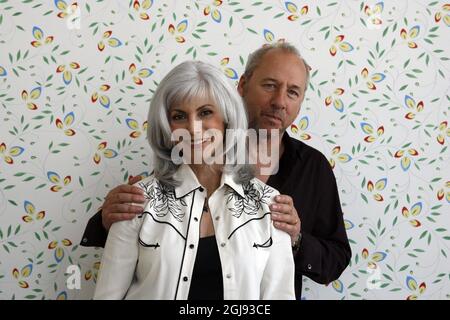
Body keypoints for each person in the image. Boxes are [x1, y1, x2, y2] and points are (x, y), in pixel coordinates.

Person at [82, 42, 351, 298]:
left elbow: (333, 261)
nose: (279, 101)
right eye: (270, 85)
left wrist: (296, 239)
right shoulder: (150, 194)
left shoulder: (308, 173)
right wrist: (106, 219)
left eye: (293, 91)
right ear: (242, 86)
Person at [93, 60, 295, 299]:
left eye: (205, 112)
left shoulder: (269, 204)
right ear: (166, 127)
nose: (193, 128)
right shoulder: (138, 201)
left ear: (227, 119)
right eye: (179, 116)